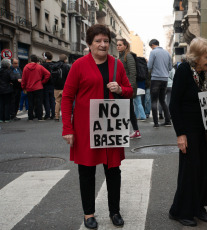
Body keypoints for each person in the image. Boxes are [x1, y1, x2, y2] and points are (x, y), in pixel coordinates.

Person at [61, 24, 133, 229]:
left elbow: (129, 90)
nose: (102, 45)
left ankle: (115, 211)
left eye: (106, 41)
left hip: (110, 127)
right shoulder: (79, 65)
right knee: (86, 171)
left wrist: (120, 89)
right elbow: (67, 97)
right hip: (85, 127)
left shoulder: (117, 65)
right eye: (98, 41)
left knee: (113, 171)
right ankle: (88, 214)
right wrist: (67, 128)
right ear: (90, 44)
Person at [169, 37, 207, 227]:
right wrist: (180, 134)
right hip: (189, 129)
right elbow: (174, 104)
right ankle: (180, 211)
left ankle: (199, 206)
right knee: (189, 171)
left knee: (204, 168)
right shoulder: (184, 71)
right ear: (196, 56)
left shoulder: (202, 73)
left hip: (204, 129)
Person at [116, 38, 141, 139]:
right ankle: (135, 131)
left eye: (120, 45)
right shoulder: (121, 56)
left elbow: (132, 72)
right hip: (122, 87)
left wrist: (130, 87)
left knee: (128, 110)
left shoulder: (128, 56)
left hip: (127, 88)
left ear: (125, 46)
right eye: (117, 45)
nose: (118, 47)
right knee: (128, 109)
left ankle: (133, 131)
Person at [147, 39, 172, 127]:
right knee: (162, 100)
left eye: (151, 47)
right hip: (165, 79)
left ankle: (156, 123)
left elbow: (149, 66)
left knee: (154, 101)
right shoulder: (167, 53)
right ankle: (168, 121)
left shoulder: (153, 52)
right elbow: (170, 68)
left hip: (155, 79)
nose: (151, 48)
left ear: (153, 45)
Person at [21, 54, 50, 121]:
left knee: (30, 103)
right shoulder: (39, 67)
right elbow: (48, 74)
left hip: (29, 87)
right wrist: (42, 82)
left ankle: (30, 117)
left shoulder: (26, 67)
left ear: (30, 60)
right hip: (38, 87)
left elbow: (23, 78)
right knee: (39, 103)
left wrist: (23, 87)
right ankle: (39, 117)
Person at [51, 54, 70, 121]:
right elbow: (69, 77)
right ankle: (66, 116)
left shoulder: (54, 66)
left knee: (57, 102)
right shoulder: (66, 67)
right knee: (66, 102)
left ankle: (56, 116)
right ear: (65, 59)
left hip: (56, 87)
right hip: (65, 87)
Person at [41, 51, 56, 120]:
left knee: (46, 100)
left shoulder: (43, 65)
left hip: (45, 84)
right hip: (53, 84)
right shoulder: (54, 65)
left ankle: (47, 114)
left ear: (45, 57)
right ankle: (53, 114)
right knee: (52, 100)